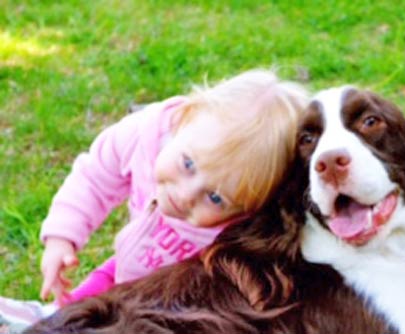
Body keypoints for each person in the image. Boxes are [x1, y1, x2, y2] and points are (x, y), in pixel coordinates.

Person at [38, 69, 309, 305]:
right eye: (188, 164)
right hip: (124, 268)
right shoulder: (143, 135)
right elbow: (94, 178)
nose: (186, 195)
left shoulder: (248, 229)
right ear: (186, 116)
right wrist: (62, 237)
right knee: (73, 312)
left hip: (180, 300)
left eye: (215, 198)